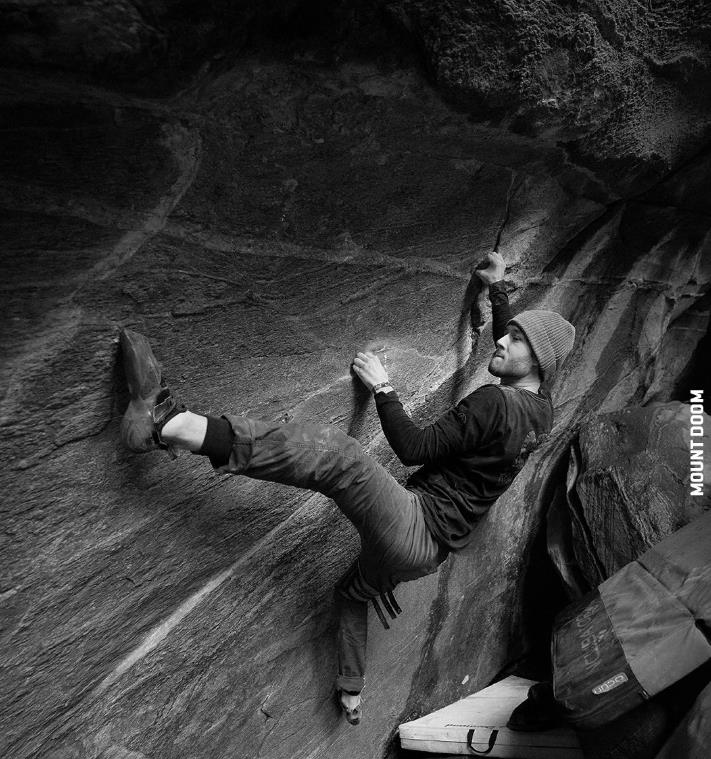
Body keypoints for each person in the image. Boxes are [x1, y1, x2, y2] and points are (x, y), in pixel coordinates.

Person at [119, 252, 575, 725]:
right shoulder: (543, 409)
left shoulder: (494, 403)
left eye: (513, 338)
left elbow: (413, 447)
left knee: (336, 454)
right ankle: (352, 691)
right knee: (354, 595)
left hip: (413, 524)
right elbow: (525, 340)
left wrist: (383, 387)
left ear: (535, 357)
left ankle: (168, 424)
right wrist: (496, 291)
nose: (501, 339)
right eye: (509, 331)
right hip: (426, 556)